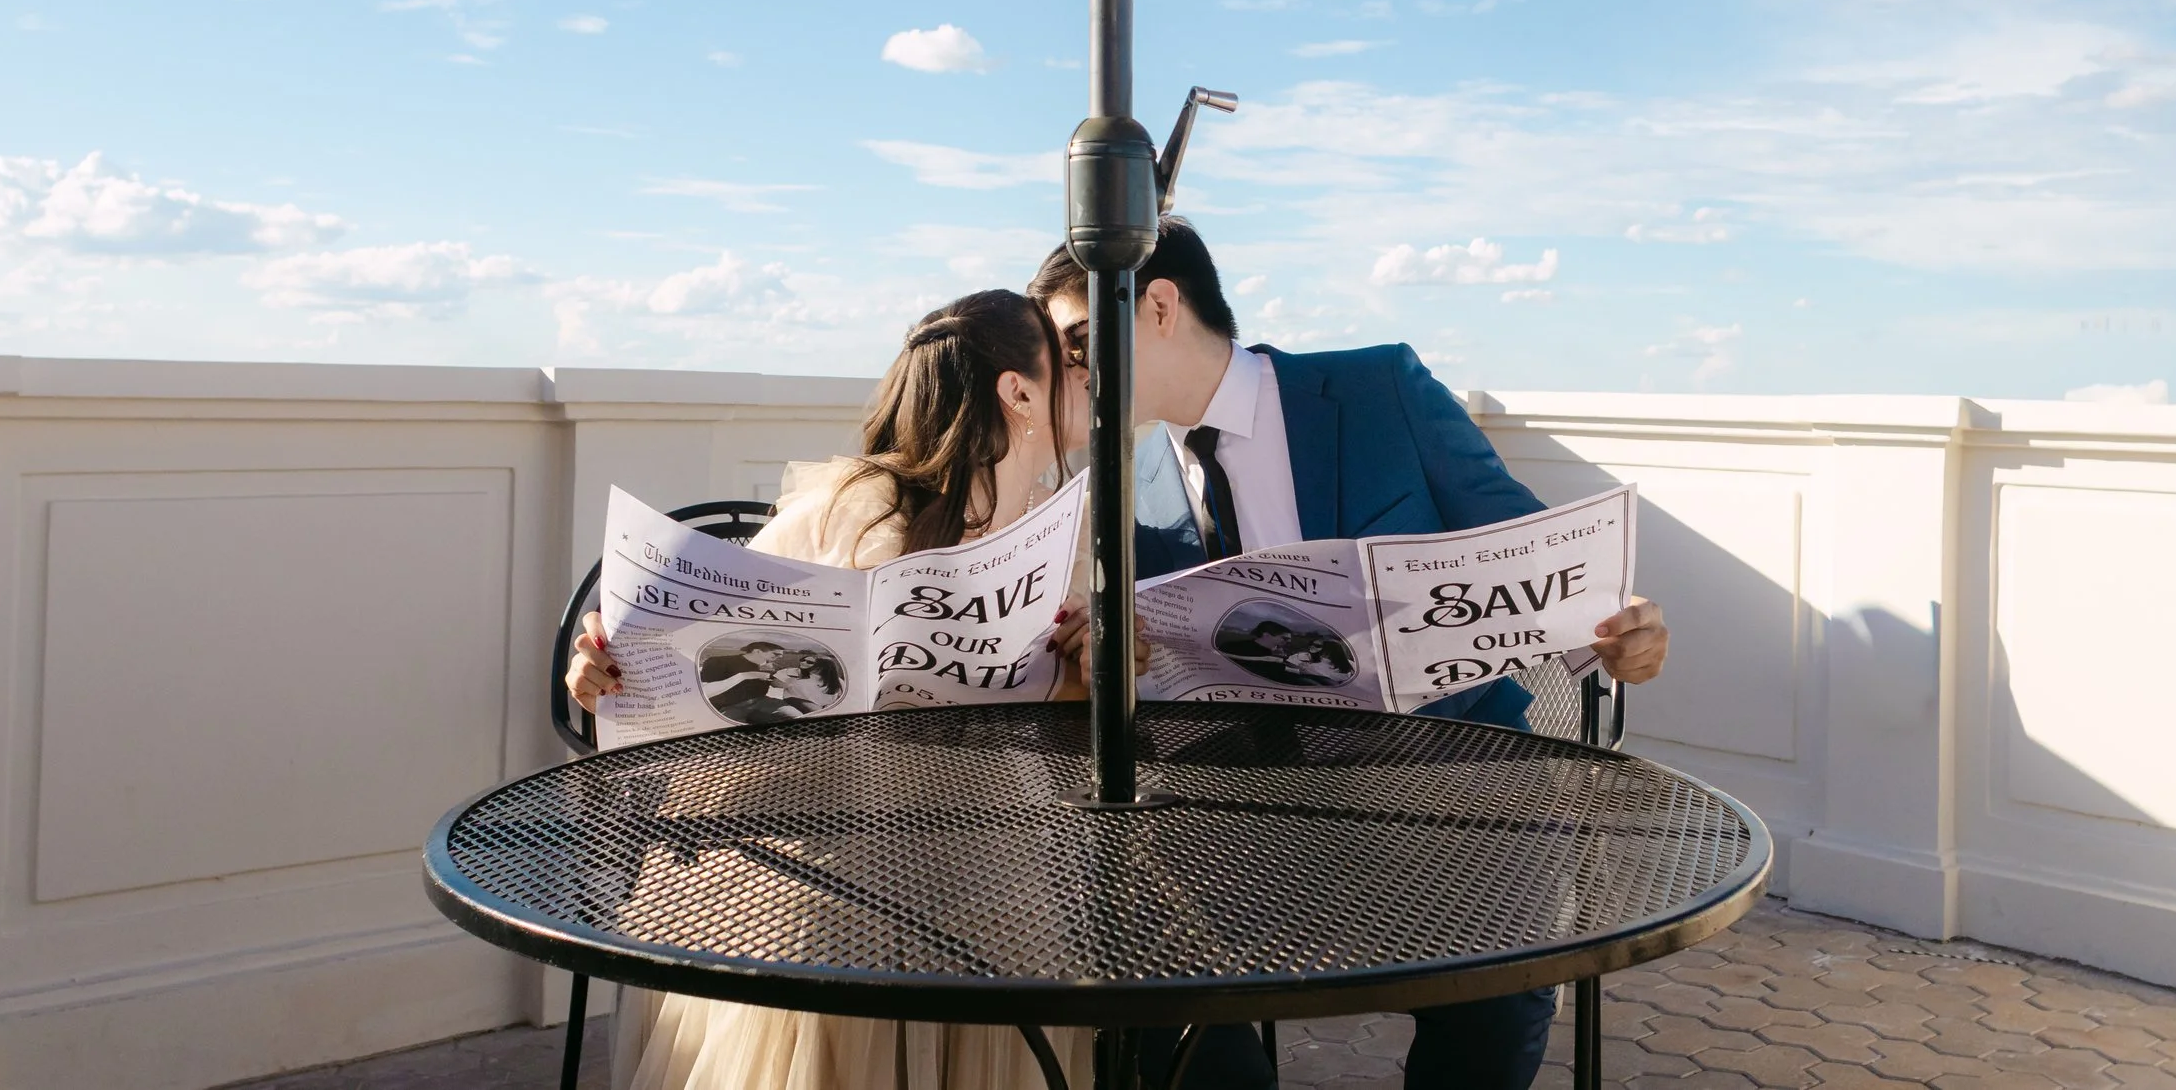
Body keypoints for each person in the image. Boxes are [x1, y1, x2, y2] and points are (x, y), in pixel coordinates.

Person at [1032, 218, 1670, 1090]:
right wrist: (1118, 649)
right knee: (1137, 971)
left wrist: (1619, 640)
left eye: (1080, 342)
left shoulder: (1380, 390)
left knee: (1498, 1003)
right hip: (1253, 817)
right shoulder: (1133, 483)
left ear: (1160, 306)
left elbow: (1540, 565)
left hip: (1454, 795)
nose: (1074, 372)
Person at [563, 288, 1097, 1090]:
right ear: (1018, 393)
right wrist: (604, 666)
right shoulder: (849, 512)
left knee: (1009, 913)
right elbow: (690, 657)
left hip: (992, 843)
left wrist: (1090, 671)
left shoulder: (1064, 529)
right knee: (828, 924)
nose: (1087, 378)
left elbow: (1066, 732)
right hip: (829, 839)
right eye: (1070, 363)